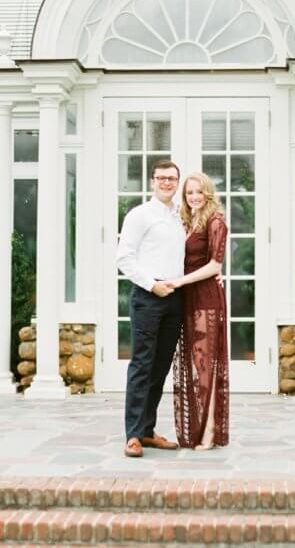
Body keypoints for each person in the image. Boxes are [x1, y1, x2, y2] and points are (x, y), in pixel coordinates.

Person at [116, 159, 186, 459]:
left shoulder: (179, 217)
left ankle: (147, 430)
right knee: (142, 365)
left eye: (172, 178)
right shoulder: (140, 215)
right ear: (152, 181)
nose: (167, 183)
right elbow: (124, 258)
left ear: (177, 181)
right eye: (161, 178)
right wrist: (151, 284)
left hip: (175, 296)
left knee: (160, 367)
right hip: (148, 296)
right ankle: (132, 435)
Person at [167, 172, 230, 450]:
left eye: (198, 192)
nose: (193, 197)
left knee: (207, 367)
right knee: (195, 364)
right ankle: (199, 428)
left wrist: (180, 281)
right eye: (189, 192)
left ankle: (210, 432)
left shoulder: (216, 221)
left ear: (208, 193)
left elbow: (216, 265)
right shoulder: (187, 221)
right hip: (188, 297)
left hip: (205, 297)